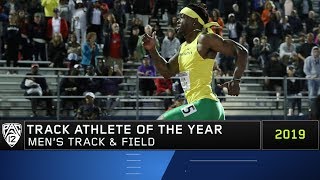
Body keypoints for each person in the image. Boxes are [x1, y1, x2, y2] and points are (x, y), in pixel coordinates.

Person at [142, 3, 248, 120]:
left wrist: (236, 80)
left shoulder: (204, 39)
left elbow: (241, 51)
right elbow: (167, 72)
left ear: (194, 21)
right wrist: (152, 50)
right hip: (201, 107)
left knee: (161, 122)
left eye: (182, 17)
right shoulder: (183, 47)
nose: (178, 20)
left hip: (205, 105)